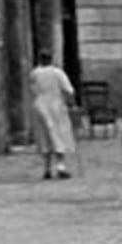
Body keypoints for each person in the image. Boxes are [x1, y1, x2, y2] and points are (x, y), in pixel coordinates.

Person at [29, 50, 76, 180]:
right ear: (51, 59)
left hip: (40, 106)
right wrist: (71, 103)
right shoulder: (57, 73)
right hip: (56, 105)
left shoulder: (34, 73)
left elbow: (33, 90)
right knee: (59, 134)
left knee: (45, 135)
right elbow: (69, 90)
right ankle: (60, 166)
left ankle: (47, 168)